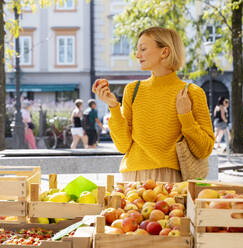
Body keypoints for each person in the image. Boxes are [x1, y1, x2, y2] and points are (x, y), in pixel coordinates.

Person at [92, 27, 215, 182]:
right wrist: (114, 107)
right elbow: (123, 146)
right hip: (133, 179)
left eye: (143, 49)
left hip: (172, 182)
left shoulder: (191, 93)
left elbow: (204, 150)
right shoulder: (133, 90)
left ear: (164, 52)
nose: (137, 55)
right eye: (138, 50)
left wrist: (186, 117)